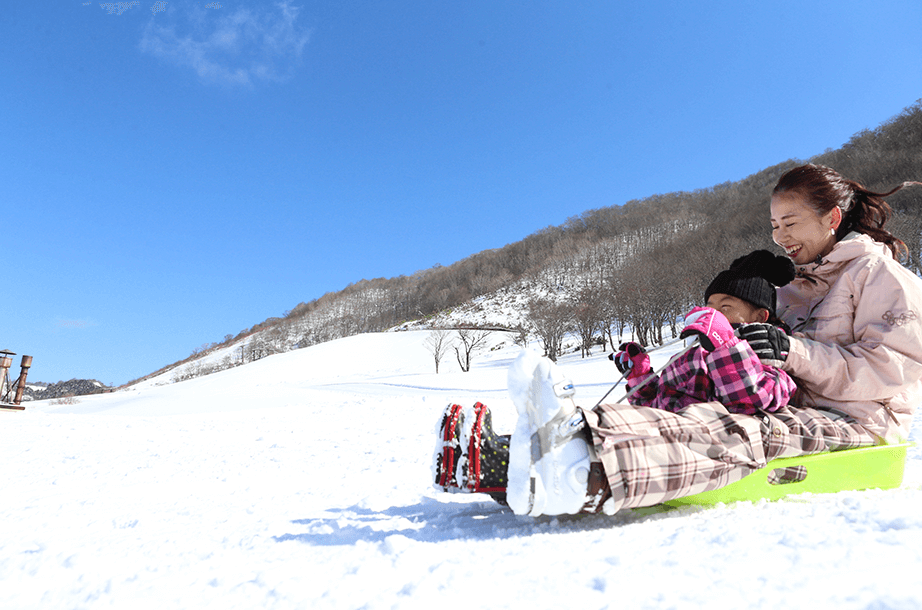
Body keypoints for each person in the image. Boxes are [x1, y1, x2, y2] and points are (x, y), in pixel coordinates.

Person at [438, 164, 922, 518]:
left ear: (832, 218)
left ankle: (586, 472)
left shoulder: (880, 274)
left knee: (741, 434)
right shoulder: (795, 287)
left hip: (858, 420)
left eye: (790, 224)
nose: (780, 237)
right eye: (775, 226)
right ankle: (513, 451)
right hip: (787, 402)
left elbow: (898, 366)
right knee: (692, 413)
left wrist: (795, 353)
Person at [615, 249, 797, 416]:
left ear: (759, 316)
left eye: (725, 307)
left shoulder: (767, 352)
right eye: (710, 308)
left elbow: (756, 399)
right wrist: (640, 378)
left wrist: (726, 347)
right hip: (664, 435)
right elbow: (658, 405)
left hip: (709, 443)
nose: (715, 314)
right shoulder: (697, 351)